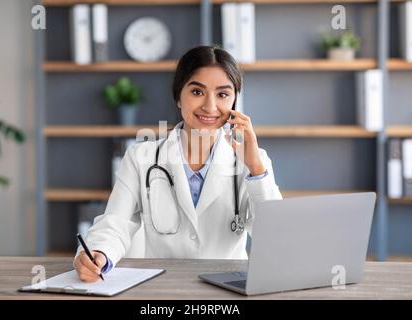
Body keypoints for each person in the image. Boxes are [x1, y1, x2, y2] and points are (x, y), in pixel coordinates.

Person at [74, 45, 282, 282]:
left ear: (234, 103)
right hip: (164, 286)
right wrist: (99, 254)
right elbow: (116, 221)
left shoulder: (254, 161)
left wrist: (256, 169)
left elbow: (275, 237)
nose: (210, 106)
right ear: (178, 97)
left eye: (222, 94)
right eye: (197, 92)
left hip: (229, 287)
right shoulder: (142, 157)